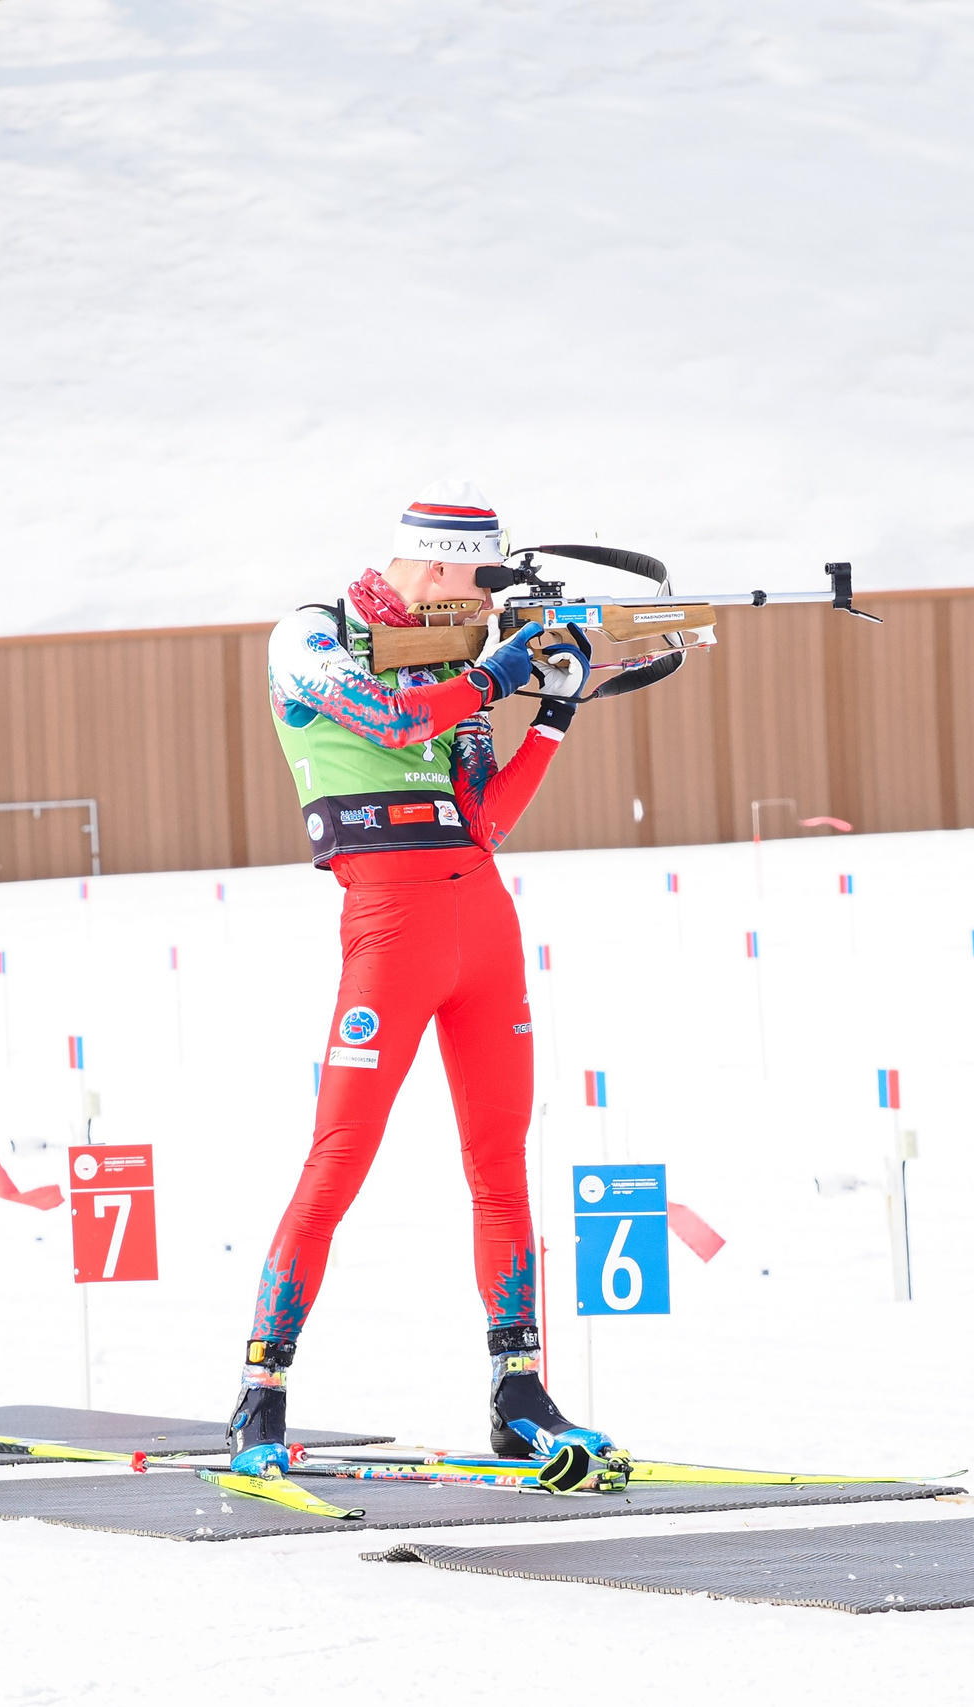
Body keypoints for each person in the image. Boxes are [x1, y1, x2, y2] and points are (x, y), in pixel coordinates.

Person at [228, 479, 610, 1478]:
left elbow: (486, 819)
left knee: (500, 1159)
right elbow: (387, 722)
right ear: (438, 566)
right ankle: (259, 1395)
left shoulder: (455, 663)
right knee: (340, 1154)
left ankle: (518, 1390)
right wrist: (496, 674)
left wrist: (556, 712)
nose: (489, 611)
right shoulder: (307, 635)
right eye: (483, 589)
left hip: (479, 916)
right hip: (390, 927)